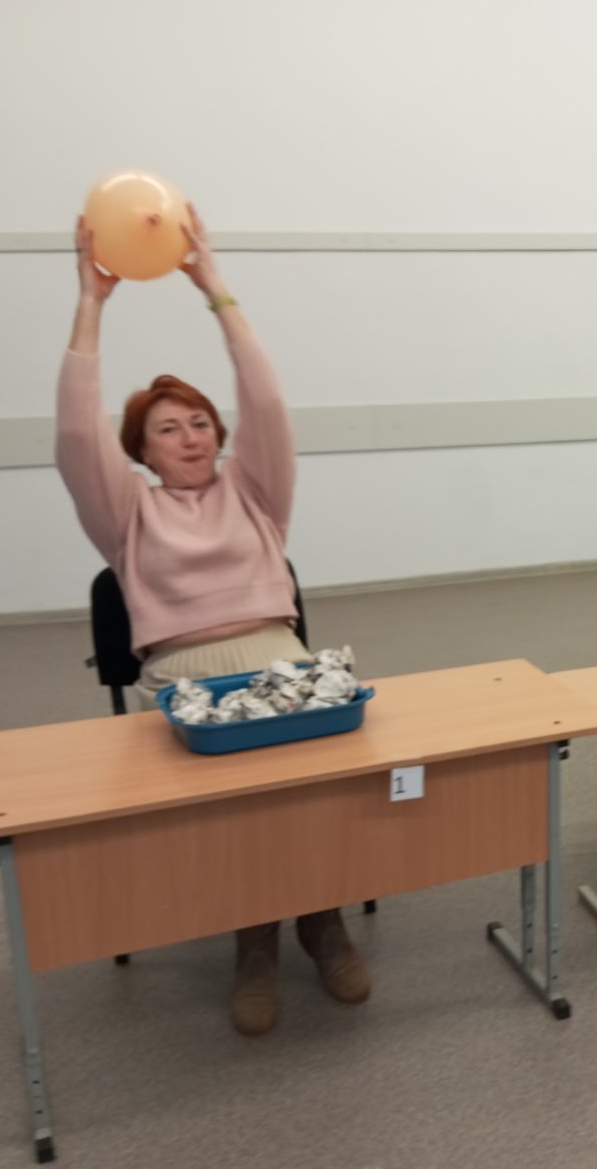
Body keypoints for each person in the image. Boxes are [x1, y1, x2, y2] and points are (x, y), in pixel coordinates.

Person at [55, 210, 370, 1036]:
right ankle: (255, 941)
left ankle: (323, 919)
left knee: (313, 793)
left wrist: (212, 283)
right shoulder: (125, 514)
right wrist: (91, 302)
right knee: (237, 815)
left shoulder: (255, 491)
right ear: (141, 450)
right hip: (182, 681)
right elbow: (75, 431)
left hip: (282, 666)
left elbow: (266, 397)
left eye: (199, 422)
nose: (189, 436)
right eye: (168, 428)